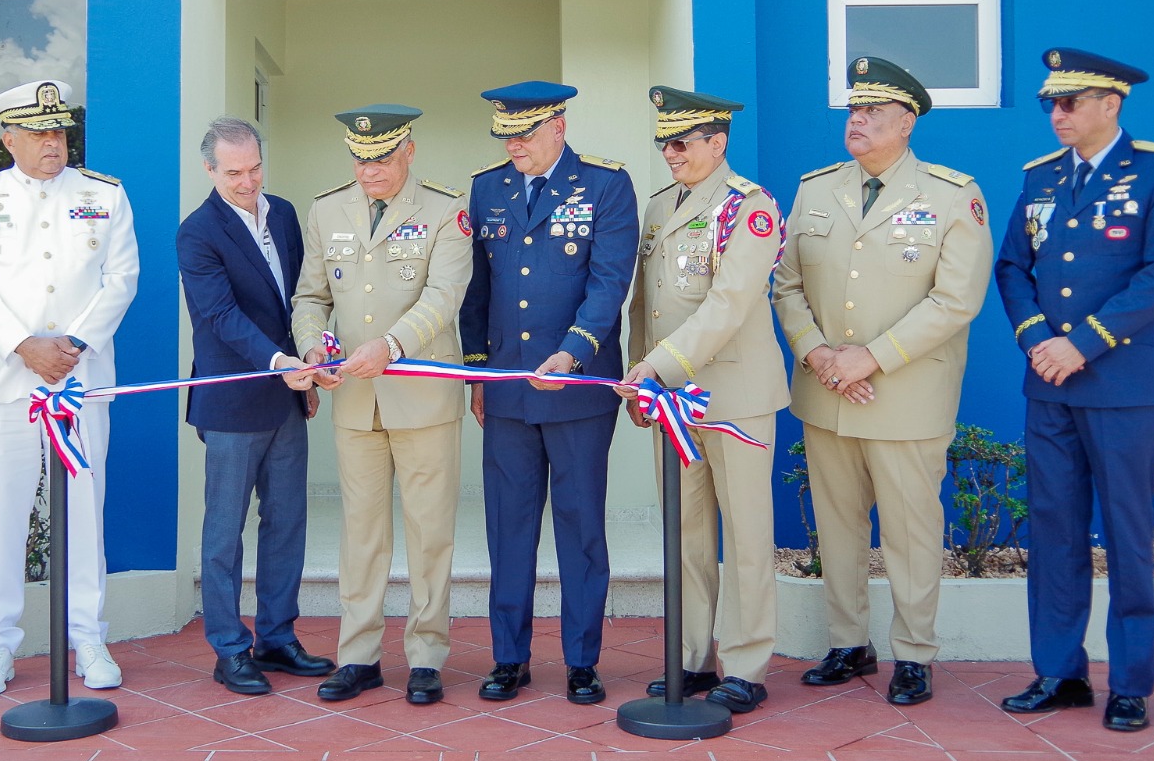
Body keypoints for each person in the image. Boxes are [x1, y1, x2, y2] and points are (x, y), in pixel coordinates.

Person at [773, 57, 992, 706]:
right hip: (826, 392)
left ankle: (915, 653)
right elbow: (786, 285)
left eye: (873, 112)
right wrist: (818, 354)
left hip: (904, 396)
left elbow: (956, 300)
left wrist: (870, 357)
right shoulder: (816, 189)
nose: (857, 120)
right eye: (853, 110)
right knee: (838, 527)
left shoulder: (951, 195)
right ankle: (849, 643)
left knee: (910, 531)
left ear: (907, 122)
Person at [995, 48, 1154, 732]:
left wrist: (1082, 343)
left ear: (1111, 104)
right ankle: (1059, 672)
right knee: (1054, 531)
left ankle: (1131, 682)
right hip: (1049, 384)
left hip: (1123, 385)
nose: (1057, 114)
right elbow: (1012, 267)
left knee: (1128, 535)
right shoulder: (1042, 177)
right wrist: (1036, 339)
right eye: (1050, 103)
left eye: (1070, 102)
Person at [0, 79, 139, 698]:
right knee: (4, 515)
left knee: (84, 512)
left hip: (81, 382)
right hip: (10, 383)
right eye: (37, 133)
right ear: (9, 139)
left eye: (58, 131)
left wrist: (73, 344)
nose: (52, 143)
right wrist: (25, 346)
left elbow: (122, 278)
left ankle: (88, 637)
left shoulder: (104, 194)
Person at [458, 81, 637, 706]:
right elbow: (476, 289)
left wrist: (574, 350)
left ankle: (582, 661)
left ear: (558, 127)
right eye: (506, 136)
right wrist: (478, 373)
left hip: (578, 387)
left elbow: (610, 282)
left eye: (525, 134)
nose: (514, 146)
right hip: (508, 387)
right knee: (508, 527)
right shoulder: (488, 188)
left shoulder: (606, 186)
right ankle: (509, 657)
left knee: (580, 525)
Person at [614, 86, 790, 714]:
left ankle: (745, 662)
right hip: (673, 398)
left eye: (683, 142)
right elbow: (645, 304)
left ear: (718, 143)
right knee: (686, 532)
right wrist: (642, 376)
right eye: (665, 141)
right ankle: (691, 657)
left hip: (735, 395)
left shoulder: (750, 207)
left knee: (745, 533)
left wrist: (656, 366)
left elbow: (729, 303)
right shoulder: (662, 205)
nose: (671, 152)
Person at [289, 105, 472, 705]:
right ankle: (359, 655)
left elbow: (444, 296)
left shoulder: (446, 209)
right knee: (361, 534)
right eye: (360, 160)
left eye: (383, 159)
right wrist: (313, 347)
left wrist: (390, 346)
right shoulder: (326, 209)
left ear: (408, 152)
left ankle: (426, 655)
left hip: (422, 397)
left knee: (429, 533)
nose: (370, 171)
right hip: (355, 399)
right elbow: (311, 296)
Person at [176, 116, 335, 695]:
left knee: (287, 521)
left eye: (255, 168)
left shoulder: (285, 214)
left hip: (288, 395)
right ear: (210, 170)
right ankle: (229, 648)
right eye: (234, 173)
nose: (248, 182)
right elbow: (220, 315)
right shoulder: (197, 233)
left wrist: (307, 366)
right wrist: (278, 361)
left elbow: (301, 300)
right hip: (232, 399)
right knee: (225, 532)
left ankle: (277, 637)